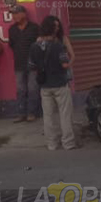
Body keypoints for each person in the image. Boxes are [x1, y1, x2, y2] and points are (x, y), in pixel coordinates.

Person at [30, 15, 77, 150]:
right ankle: (68, 143)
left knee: (48, 116)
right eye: (55, 26)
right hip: (60, 84)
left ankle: (52, 144)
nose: (57, 28)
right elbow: (64, 64)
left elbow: (32, 66)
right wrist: (67, 66)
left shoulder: (35, 46)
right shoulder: (58, 46)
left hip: (44, 86)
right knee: (65, 114)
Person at [7, 5, 41, 122]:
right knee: (20, 89)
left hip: (33, 64)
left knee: (33, 88)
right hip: (19, 64)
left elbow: (40, 45)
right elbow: (12, 45)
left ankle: (32, 113)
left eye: (16, 13)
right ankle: (21, 113)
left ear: (24, 14)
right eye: (13, 14)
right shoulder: (12, 29)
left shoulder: (34, 28)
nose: (14, 16)